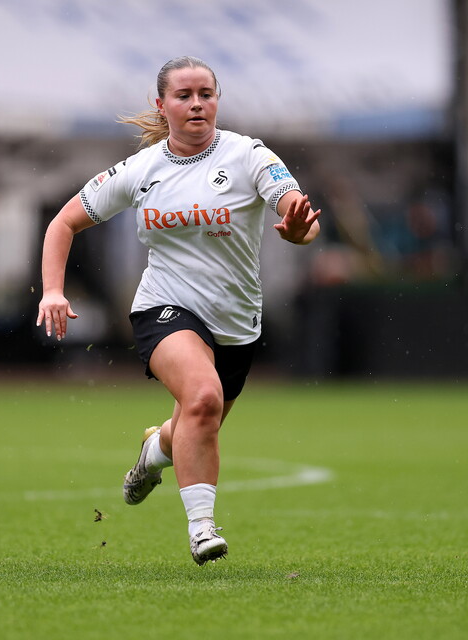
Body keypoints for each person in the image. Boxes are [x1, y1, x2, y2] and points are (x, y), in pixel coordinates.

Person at [37, 56, 321, 565]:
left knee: (196, 420)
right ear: (161, 104)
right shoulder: (141, 169)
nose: (196, 104)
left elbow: (297, 212)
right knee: (203, 397)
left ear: (217, 100)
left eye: (205, 94)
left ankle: (153, 454)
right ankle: (202, 529)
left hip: (236, 322)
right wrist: (52, 291)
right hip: (164, 307)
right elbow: (63, 223)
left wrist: (300, 230)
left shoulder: (249, 155)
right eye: (184, 95)